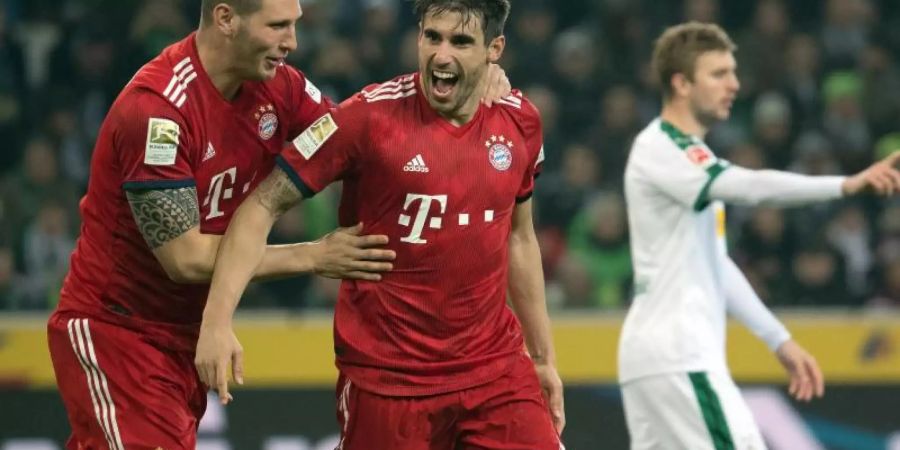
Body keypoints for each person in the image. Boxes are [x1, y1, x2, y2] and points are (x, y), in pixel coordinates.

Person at [45, 0, 508, 448]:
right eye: (277, 26)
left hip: (186, 331)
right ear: (226, 19)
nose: (292, 41)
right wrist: (313, 254)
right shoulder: (157, 113)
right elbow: (184, 259)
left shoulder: (280, 87)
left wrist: (475, 79)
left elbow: (362, 142)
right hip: (118, 330)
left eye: (294, 24)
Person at [195, 1, 566, 449]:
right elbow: (260, 206)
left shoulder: (520, 120)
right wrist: (217, 321)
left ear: (494, 49)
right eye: (432, 37)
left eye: (461, 42)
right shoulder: (368, 118)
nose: (441, 55)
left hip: (495, 371)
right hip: (389, 381)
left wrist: (542, 358)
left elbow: (519, 237)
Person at [620, 21, 900, 450]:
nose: (734, 84)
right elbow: (749, 187)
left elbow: (716, 263)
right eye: (718, 73)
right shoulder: (664, 146)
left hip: (664, 359)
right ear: (681, 82)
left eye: (733, 72)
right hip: (679, 356)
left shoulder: (688, 160)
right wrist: (844, 184)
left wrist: (778, 339)